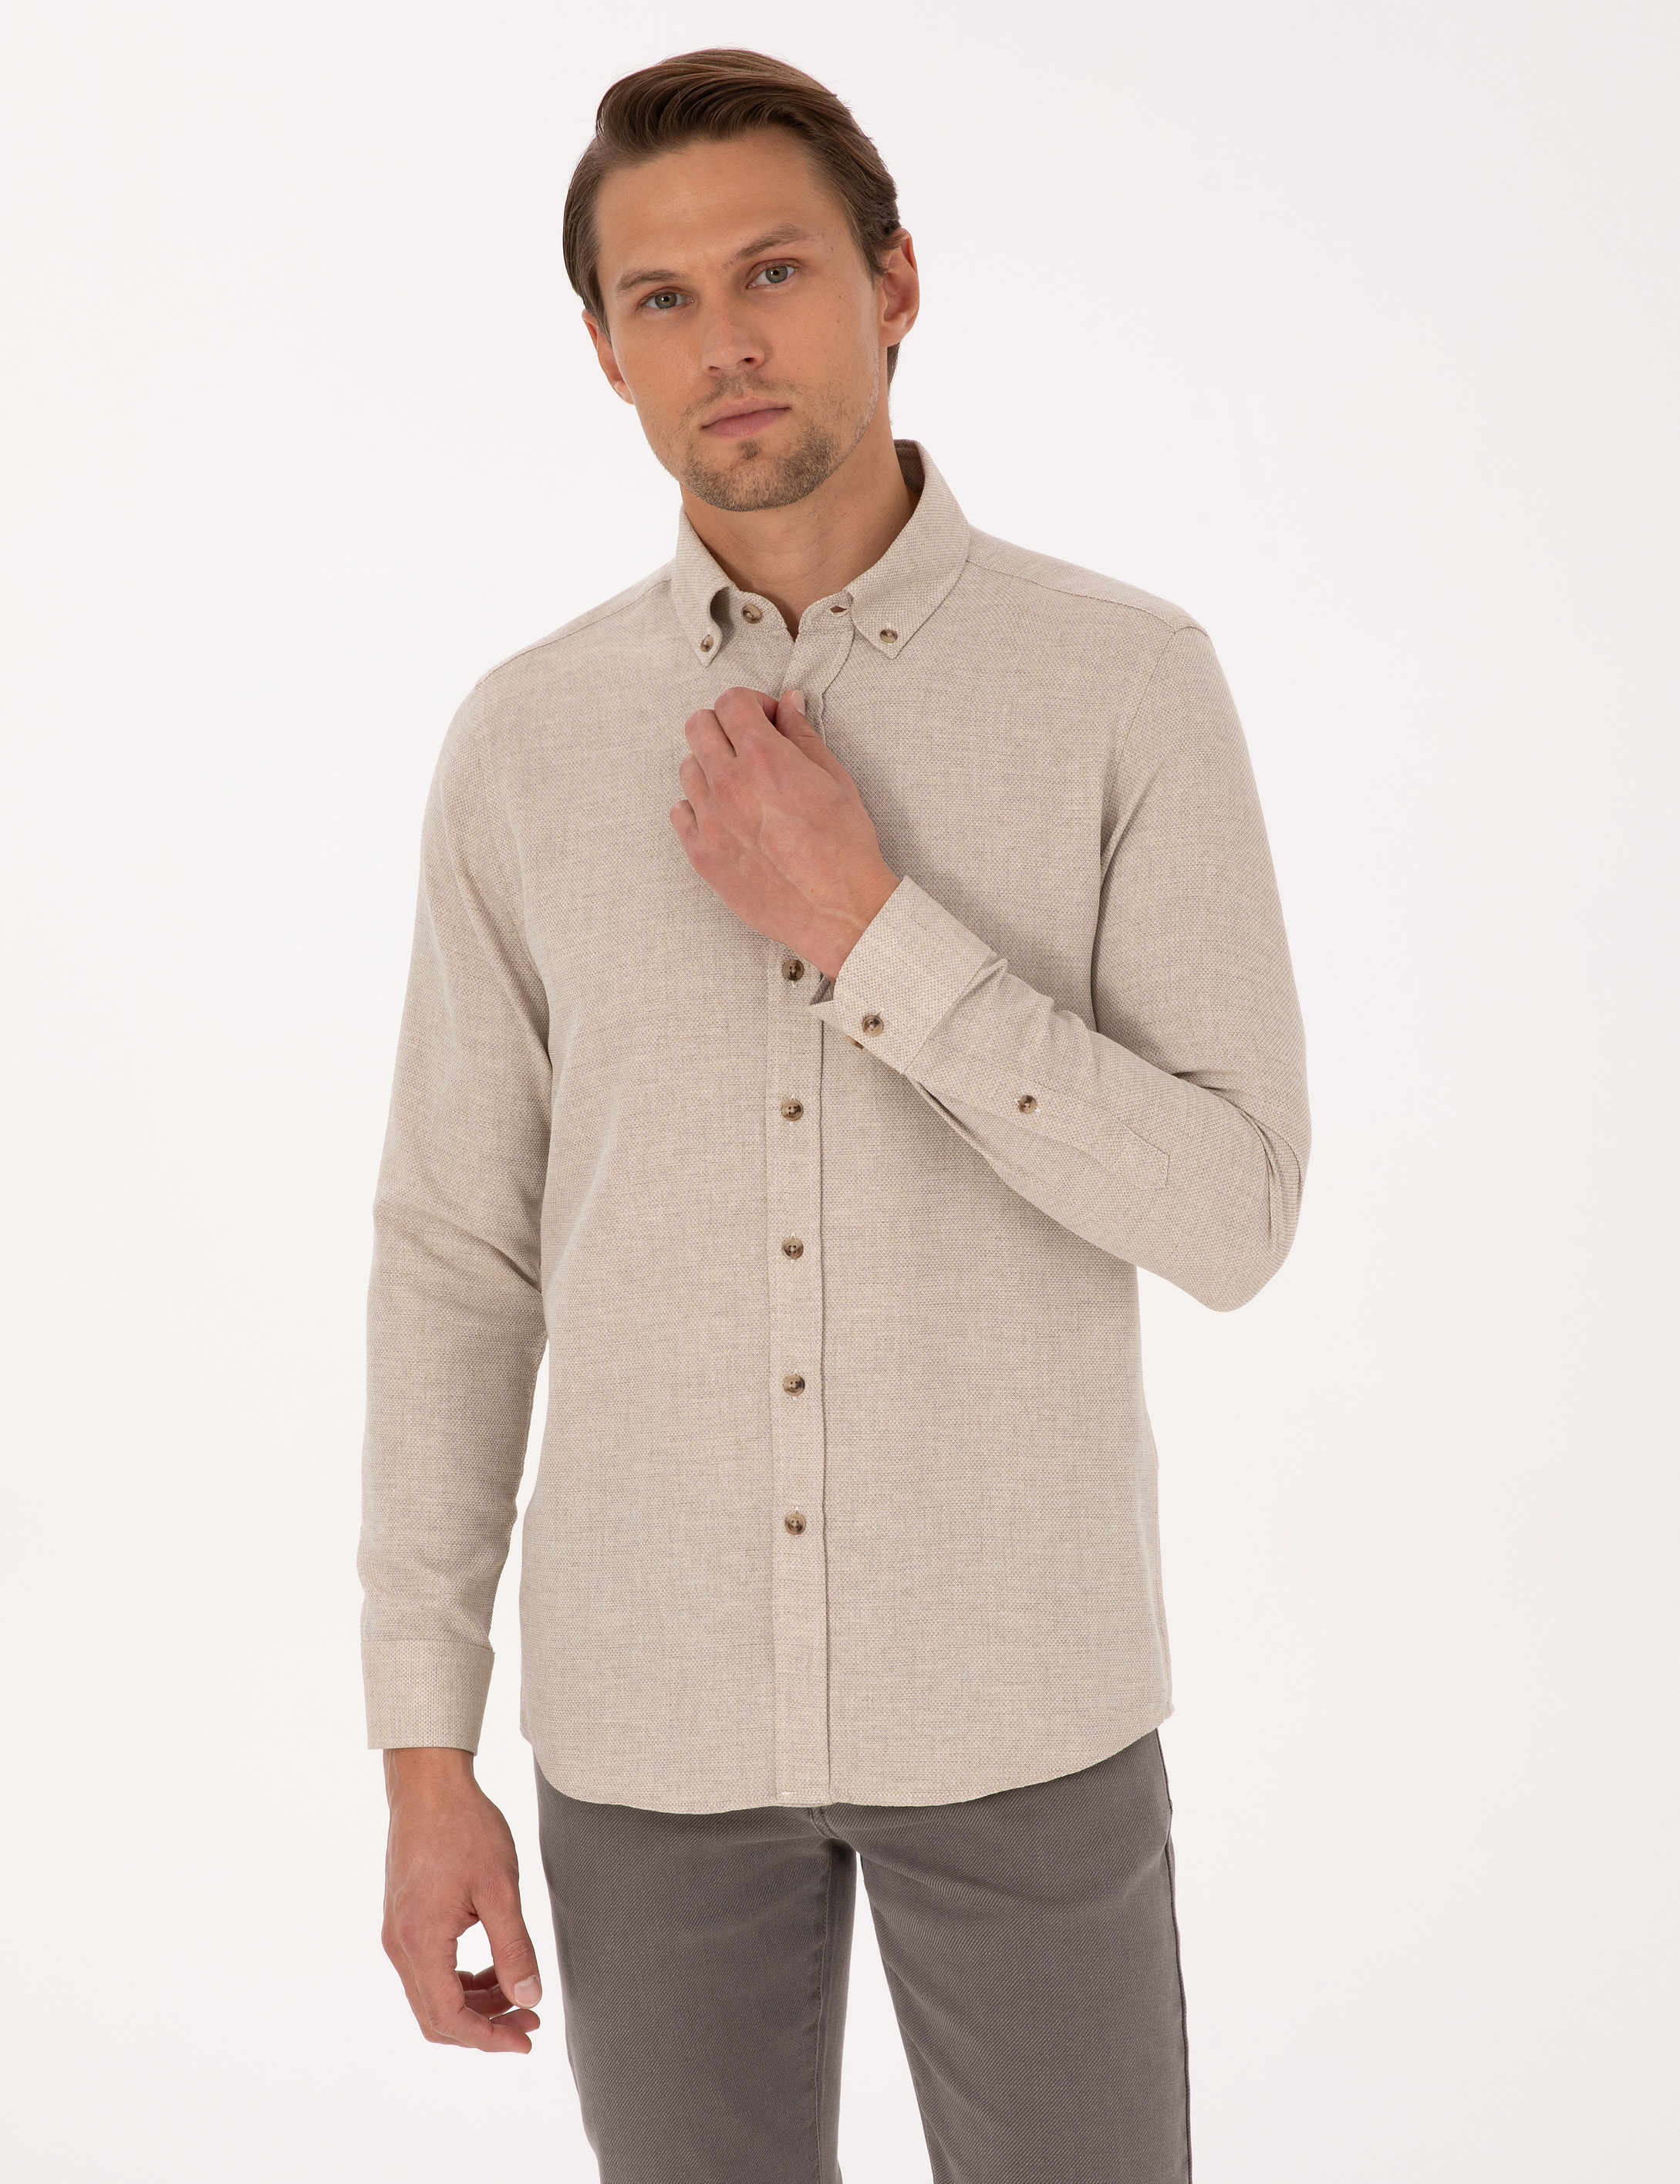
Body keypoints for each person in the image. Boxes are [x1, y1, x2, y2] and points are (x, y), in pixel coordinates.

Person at [359, 46, 1309, 2183]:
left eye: (773, 270)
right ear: (604, 352)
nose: (725, 339)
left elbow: (1236, 1211)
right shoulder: (524, 743)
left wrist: (871, 932)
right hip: (647, 1727)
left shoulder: (1122, 685)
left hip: (1023, 1700)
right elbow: (454, 1261)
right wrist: (424, 1755)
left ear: (893, 283)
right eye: (662, 297)